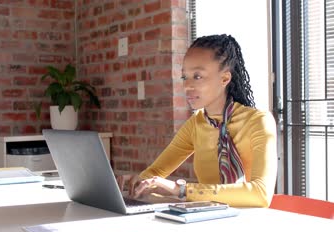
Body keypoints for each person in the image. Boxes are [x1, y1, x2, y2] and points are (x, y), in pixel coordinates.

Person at [117, 34, 277, 207]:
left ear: (225, 78)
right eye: (185, 77)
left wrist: (183, 190)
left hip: (249, 221)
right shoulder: (196, 124)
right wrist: (139, 180)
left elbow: (261, 194)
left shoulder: (258, 121)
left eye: (198, 76)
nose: (187, 86)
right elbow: (156, 172)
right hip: (207, 220)